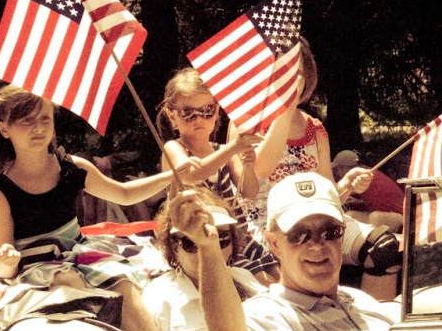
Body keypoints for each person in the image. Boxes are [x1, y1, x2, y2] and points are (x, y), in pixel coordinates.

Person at [0, 84, 193, 331]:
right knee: (70, 282)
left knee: (123, 283)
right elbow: (4, 265)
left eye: (44, 119)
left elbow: (124, 193)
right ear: (4, 129)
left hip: (79, 253)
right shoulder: (0, 191)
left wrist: (171, 175)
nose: (37, 128)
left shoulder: (71, 168)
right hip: (35, 265)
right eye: (26, 121)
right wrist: (6, 259)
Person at [229, 37, 401, 299]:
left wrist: (347, 185)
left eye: (293, 73)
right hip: (270, 226)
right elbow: (260, 171)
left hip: (319, 218)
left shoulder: (315, 129)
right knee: (298, 279)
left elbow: (326, 193)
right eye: (280, 73)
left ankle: (370, 321)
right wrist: (285, 109)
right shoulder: (244, 123)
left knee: (384, 248)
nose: (289, 81)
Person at [169, 172, 399, 331]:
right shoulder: (270, 312)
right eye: (299, 234)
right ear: (274, 243)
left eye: (330, 231)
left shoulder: (360, 300)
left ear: (343, 233)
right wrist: (208, 247)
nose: (317, 245)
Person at [156, 67, 279, 285]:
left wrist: (249, 166)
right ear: (172, 116)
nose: (198, 119)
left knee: (280, 276)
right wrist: (232, 148)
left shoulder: (221, 151)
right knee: (260, 283)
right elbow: (193, 175)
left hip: (237, 234)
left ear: (216, 111)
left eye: (207, 111)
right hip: (199, 238)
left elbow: (249, 192)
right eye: (188, 113)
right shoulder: (174, 149)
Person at [142, 188, 265, 331]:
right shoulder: (157, 299)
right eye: (192, 242)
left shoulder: (246, 280)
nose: (210, 245)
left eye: (222, 238)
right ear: (174, 247)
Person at [332, 149, 404, 233]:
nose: (336, 173)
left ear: (344, 169)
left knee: (375, 218)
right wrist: (359, 202)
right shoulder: (367, 172)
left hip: (401, 217)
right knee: (349, 216)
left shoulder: (362, 177)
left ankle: (372, 244)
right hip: (387, 213)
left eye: (336, 170)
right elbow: (377, 200)